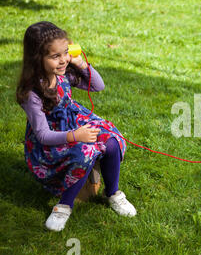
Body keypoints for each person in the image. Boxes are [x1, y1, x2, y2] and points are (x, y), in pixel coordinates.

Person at [16, 21, 137, 232]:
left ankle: (113, 193)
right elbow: (43, 135)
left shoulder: (63, 73)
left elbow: (98, 85)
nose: (63, 60)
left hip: (75, 121)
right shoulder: (32, 93)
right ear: (37, 58)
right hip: (54, 139)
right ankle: (64, 205)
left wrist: (80, 63)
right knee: (86, 150)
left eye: (65, 52)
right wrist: (75, 136)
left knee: (112, 141)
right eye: (55, 56)